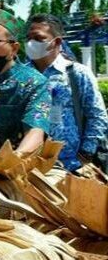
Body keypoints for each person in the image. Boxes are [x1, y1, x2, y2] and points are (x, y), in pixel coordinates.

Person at [26, 14, 108, 172]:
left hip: (73, 166)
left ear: (56, 42)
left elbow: (97, 115)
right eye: (28, 38)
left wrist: (86, 154)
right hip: (31, 167)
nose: (31, 43)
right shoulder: (22, 76)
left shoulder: (76, 73)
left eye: (38, 38)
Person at [0, 9, 51, 156]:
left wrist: (8, 163)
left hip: (14, 172)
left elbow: (35, 132)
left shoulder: (35, 83)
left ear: (14, 48)